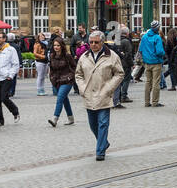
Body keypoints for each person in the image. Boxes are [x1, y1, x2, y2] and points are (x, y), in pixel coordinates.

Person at [74, 30, 124, 161]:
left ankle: (100, 151)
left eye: (96, 42)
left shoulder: (112, 56)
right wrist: (82, 88)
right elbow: (78, 74)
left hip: (103, 94)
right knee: (93, 124)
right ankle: (104, 142)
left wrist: (109, 88)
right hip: (89, 93)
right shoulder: (84, 57)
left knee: (103, 122)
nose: (93, 44)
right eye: (91, 42)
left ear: (102, 42)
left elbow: (119, 73)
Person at [47, 36, 78, 126]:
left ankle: (55, 119)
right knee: (64, 100)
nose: (56, 47)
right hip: (56, 81)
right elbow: (51, 69)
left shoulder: (67, 56)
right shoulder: (52, 56)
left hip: (67, 81)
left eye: (58, 45)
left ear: (62, 46)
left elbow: (74, 67)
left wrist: (71, 76)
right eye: (54, 45)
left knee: (60, 98)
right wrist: (52, 78)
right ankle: (70, 118)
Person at [0, 34, 21, 124]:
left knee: (4, 97)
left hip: (6, 77)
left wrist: (11, 75)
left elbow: (15, 63)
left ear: (4, 39)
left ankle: (15, 111)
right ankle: (0, 120)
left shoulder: (11, 50)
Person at [139, 20, 166, 106]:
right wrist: (163, 54)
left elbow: (140, 50)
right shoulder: (157, 37)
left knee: (148, 82)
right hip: (156, 62)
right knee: (156, 82)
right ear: (157, 28)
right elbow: (159, 51)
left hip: (147, 63)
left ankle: (147, 102)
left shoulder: (144, 37)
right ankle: (155, 102)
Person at [114, 29, 135, 105]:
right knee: (126, 79)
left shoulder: (116, 41)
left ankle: (118, 96)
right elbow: (129, 54)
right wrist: (132, 64)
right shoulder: (126, 41)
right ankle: (124, 95)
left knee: (119, 80)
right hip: (125, 64)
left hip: (117, 63)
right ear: (127, 33)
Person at [33, 31, 50, 96]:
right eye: (41, 36)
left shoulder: (45, 43)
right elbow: (35, 53)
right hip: (40, 61)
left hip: (45, 61)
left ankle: (42, 89)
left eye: (43, 35)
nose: (42, 37)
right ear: (38, 37)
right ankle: (39, 90)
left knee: (43, 76)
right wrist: (43, 56)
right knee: (40, 76)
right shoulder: (37, 44)